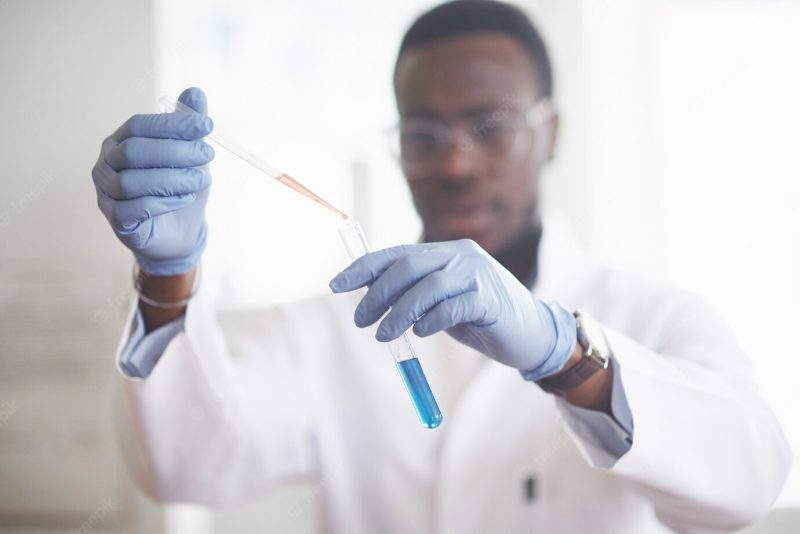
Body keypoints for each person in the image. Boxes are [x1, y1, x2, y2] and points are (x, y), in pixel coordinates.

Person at [92, 1, 791, 532]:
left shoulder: (652, 315)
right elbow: (185, 466)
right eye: (422, 133)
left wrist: (566, 354)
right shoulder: (330, 328)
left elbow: (750, 478)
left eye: (490, 124)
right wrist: (166, 276)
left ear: (551, 133)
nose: (455, 164)